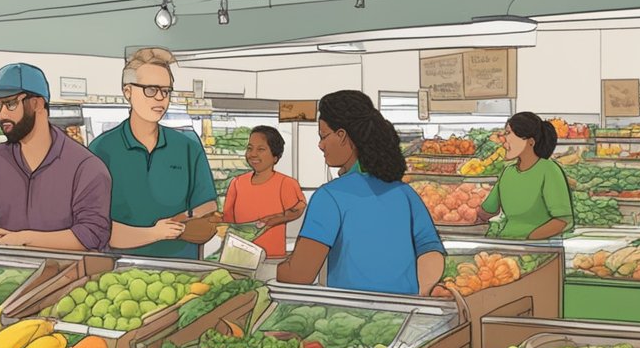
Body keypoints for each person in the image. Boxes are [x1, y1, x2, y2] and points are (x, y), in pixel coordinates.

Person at [277, 90, 445, 296]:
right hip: (404, 316)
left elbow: (299, 275)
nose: (320, 145)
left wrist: (268, 270)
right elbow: (431, 251)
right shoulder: (404, 192)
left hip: (350, 317)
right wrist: (418, 294)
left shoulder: (330, 196)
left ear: (342, 136)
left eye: (323, 136)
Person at [0, 63, 111, 251]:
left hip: (67, 276)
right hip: (7, 275)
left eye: (10, 104)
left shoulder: (86, 167)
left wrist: (24, 239)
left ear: (37, 103)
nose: (1, 115)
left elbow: (91, 236)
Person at [89, 47, 219, 258]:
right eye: (150, 89)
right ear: (128, 91)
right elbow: (96, 228)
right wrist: (155, 233)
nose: (160, 98)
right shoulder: (102, 150)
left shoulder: (188, 146)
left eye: (165, 91)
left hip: (184, 272)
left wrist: (181, 220)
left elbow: (209, 206)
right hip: (120, 274)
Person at [477, 112, 574, 240]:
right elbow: (487, 211)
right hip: (505, 245)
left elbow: (563, 221)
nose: (503, 139)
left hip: (540, 250)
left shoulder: (549, 170)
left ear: (530, 141)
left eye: (508, 133)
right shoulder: (508, 172)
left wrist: (529, 240)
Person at [221, 126, 306, 259]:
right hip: (237, 257)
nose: (253, 154)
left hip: (270, 257)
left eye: (261, 149)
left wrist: (275, 219)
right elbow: (227, 218)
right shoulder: (237, 183)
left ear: (275, 157)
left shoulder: (286, 183)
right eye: (250, 148)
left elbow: (298, 208)